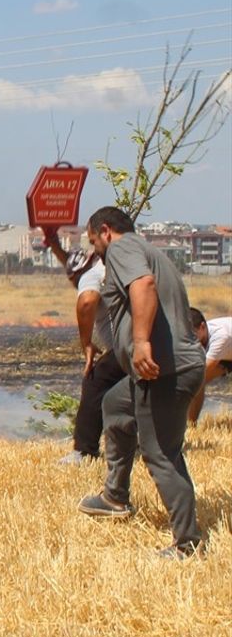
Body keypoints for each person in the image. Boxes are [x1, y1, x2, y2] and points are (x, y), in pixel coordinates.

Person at [75, 207, 206, 559]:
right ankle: (114, 497)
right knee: (115, 405)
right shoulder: (147, 250)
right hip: (169, 368)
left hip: (163, 371)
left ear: (106, 231)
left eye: (94, 241)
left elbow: (143, 286)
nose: (95, 250)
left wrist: (141, 342)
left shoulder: (122, 248)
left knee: (160, 453)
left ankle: (188, 544)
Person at [42, 228, 126, 465]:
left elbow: (87, 302)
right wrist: (54, 243)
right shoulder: (104, 267)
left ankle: (84, 451)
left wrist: (86, 344)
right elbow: (70, 263)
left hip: (125, 345)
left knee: (94, 382)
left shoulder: (89, 276)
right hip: (151, 342)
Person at [187, 308, 232, 424]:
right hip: (228, 354)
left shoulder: (221, 336)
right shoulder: (204, 333)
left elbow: (201, 372)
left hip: (227, 349)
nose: (189, 339)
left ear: (202, 327)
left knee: (196, 379)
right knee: (198, 384)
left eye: (192, 334)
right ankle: (191, 424)